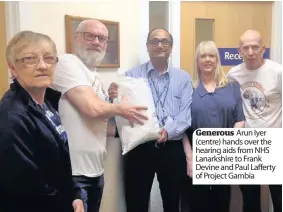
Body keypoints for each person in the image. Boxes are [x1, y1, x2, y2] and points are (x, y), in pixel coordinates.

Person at [50, 19, 148, 212]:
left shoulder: (94, 75)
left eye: (102, 38)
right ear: (76, 38)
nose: (96, 42)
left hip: (96, 171)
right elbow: (92, 108)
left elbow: (103, 125)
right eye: (90, 36)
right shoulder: (66, 63)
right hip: (73, 174)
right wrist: (122, 109)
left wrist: (141, 130)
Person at [108, 28, 193, 212]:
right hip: (139, 148)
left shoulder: (183, 78)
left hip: (172, 148)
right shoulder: (130, 76)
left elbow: (185, 116)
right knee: (136, 202)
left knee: (172, 204)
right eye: (154, 41)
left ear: (171, 48)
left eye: (165, 42)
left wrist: (167, 131)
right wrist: (112, 96)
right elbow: (119, 112)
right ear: (147, 47)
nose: (160, 45)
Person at [0, 31, 84, 212]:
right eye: (30, 59)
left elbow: (60, 160)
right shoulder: (11, 116)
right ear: (13, 67)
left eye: (49, 58)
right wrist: (66, 205)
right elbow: (26, 185)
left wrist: (75, 194)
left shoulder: (47, 103)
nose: (42, 66)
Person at [186, 40, 245, 212]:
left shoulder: (232, 87)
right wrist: (190, 158)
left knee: (222, 202)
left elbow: (240, 119)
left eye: (212, 55)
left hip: (223, 156)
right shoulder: (189, 89)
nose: (208, 59)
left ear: (217, 59)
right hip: (197, 157)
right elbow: (182, 128)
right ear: (197, 60)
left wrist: (227, 148)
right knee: (197, 204)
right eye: (203, 55)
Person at [228, 29, 282, 212]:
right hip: (247, 146)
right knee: (250, 201)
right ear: (239, 50)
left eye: (255, 47)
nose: (250, 52)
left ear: (263, 49)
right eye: (246, 47)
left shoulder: (277, 72)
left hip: (275, 144)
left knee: (279, 197)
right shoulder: (233, 75)